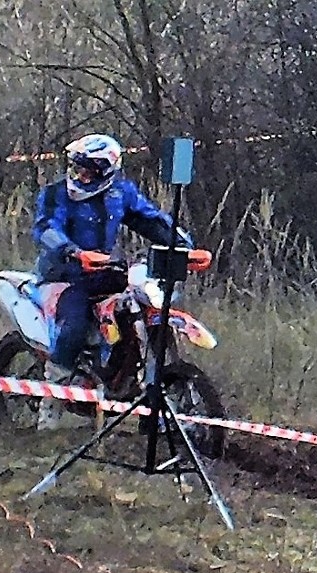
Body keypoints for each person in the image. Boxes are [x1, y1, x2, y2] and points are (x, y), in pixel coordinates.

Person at [32, 133, 194, 429]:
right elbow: (45, 228)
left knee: (141, 305)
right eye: (75, 168)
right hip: (63, 274)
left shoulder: (120, 193)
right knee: (75, 326)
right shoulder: (57, 193)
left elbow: (151, 220)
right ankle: (51, 402)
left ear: (105, 171)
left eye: (86, 170)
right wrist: (72, 251)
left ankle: (133, 381)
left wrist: (185, 247)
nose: (79, 176)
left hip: (105, 270)